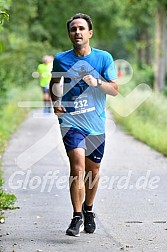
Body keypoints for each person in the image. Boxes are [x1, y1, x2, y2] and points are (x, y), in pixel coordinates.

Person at [49, 13, 118, 237]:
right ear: (69, 34)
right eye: (73, 29)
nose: (77, 32)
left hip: (95, 122)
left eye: (81, 28)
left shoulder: (103, 58)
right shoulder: (61, 59)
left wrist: (97, 82)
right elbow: (54, 83)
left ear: (90, 33)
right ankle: (76, 216)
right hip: (71, 121)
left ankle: (89, 209)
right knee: (77, 166)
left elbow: (115, 89)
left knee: (93, 170)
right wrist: (56, 101)